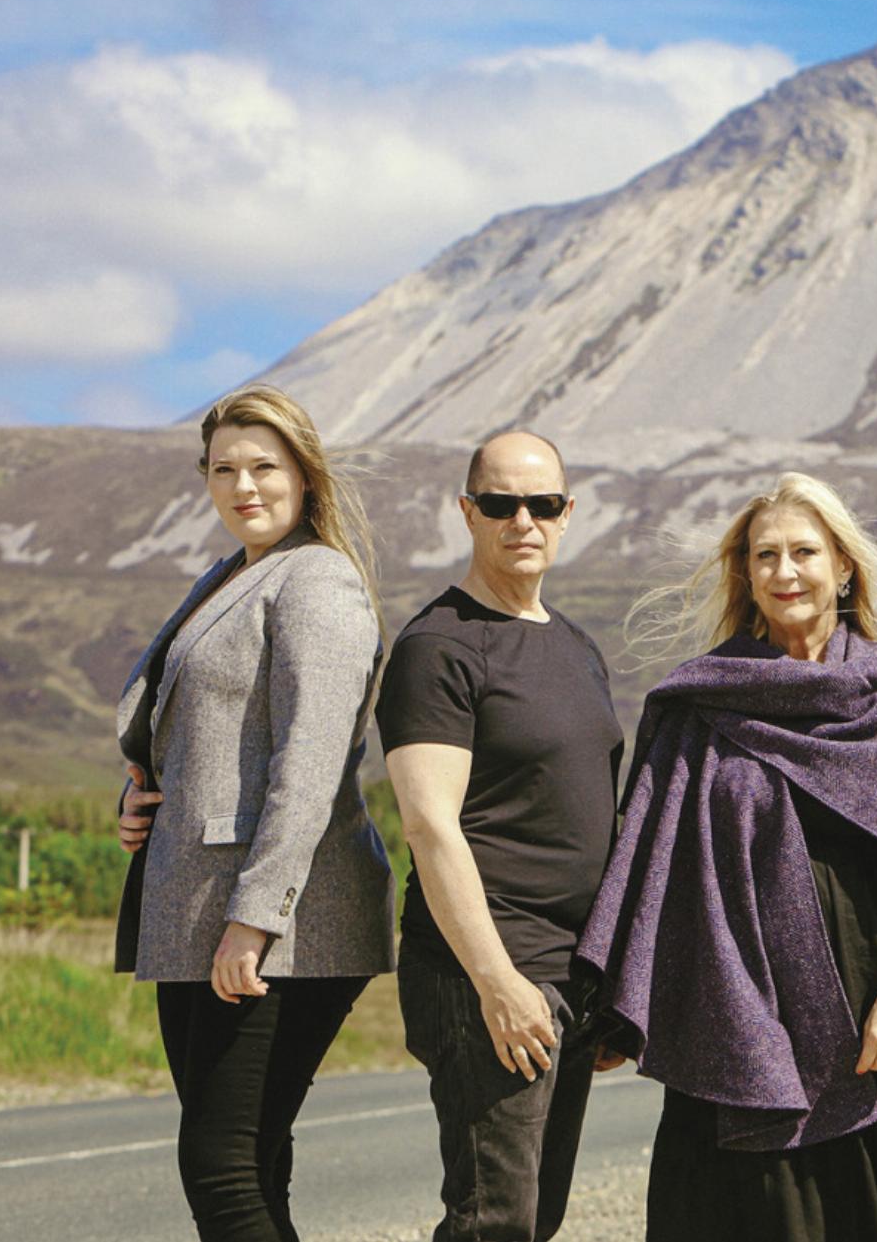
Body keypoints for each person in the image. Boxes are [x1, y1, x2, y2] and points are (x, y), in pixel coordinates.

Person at [577, 471, 877, 1242]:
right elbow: (651, 856)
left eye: (803, 550)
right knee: (749, 1210)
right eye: (764, 554)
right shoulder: (706, 696)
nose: (784, 571)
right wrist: (619, 994)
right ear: (745, 573)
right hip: (734, 995)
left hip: (867, 986)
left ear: (843, 565)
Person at [113, 384, 394, 1242]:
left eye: (264, 466)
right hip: (194, 909)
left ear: (306, 476)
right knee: (251, 1160)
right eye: (225, 468)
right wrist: (140, 792)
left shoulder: (317, 580)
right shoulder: (229, 575)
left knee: (220, 1165)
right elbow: (196, 727)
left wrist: (253, 919)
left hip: (282, 918)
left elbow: (307, 762)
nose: (245, 485)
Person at [377, 430, 624, 1242]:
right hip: (486, 969)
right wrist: (496, 980)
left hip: (570, 976)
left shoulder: (576, 646)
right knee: (495, 1218)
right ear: (467, 512)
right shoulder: (438, 646)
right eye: (501, 503)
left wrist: (610, 981)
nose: (523, 519)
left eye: (542, 503)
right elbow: (429, 825)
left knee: (536, 1215)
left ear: (566, 514)